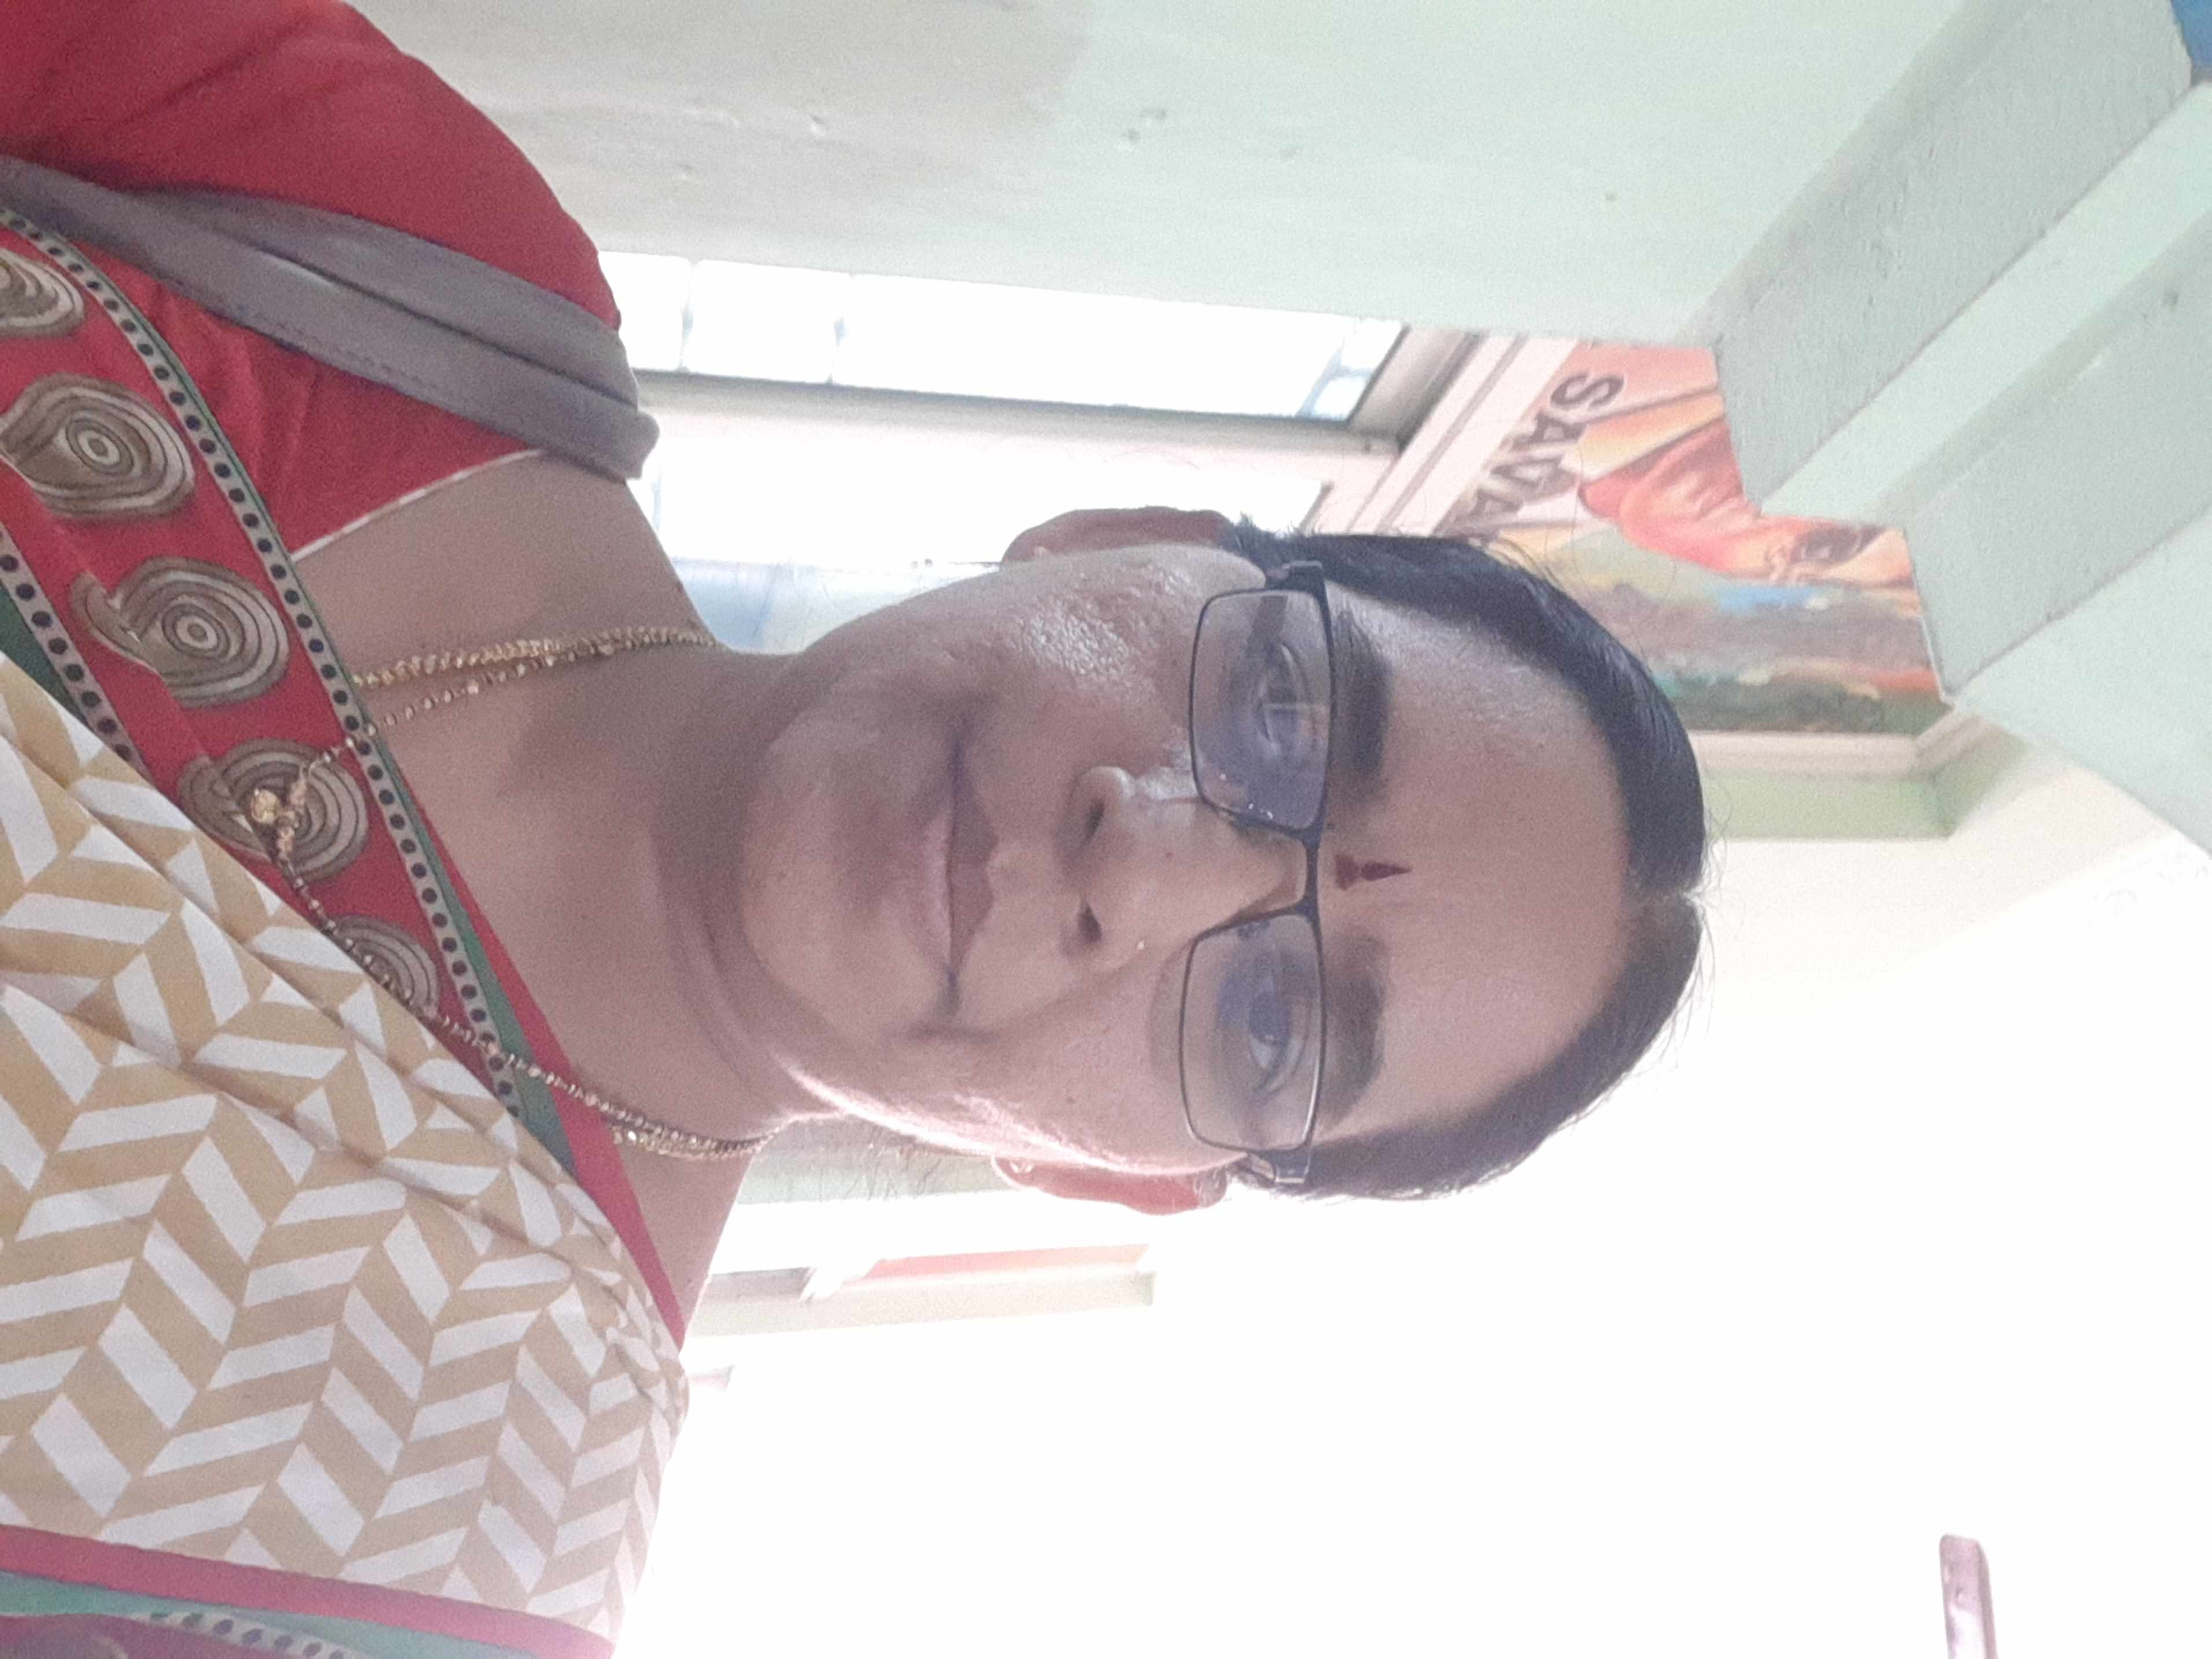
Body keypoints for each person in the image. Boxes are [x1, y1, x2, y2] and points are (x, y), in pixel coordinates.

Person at [0, 2, 1707, 1654]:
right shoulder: (420, 269)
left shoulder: (444, 1521)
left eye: (1274, 1027)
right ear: (1119, 533)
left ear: (1115, 1170)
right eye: (1284, 706)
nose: (1146, 865)